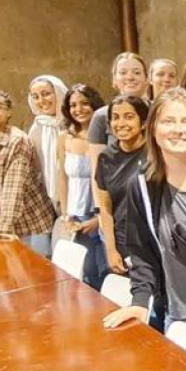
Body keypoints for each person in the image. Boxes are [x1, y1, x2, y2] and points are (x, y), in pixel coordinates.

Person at [102, 89, 186, 332]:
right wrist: (141, 302)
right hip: (183, 313)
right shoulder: (141, 184)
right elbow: (141, 251)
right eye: (168, 121)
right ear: (152, 128)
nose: (178, 129)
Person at [0, 89, 56, 255]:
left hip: (30, 222)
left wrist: (4, 227)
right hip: (3, 219)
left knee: (35, 275)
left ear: (9, 111)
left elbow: (13, 188)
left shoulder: (17, 141)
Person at [56, 83, 107, 289]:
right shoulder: (64, 138)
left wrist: (100, 218)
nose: (79, 109)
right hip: (75, 217)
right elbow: (62, 177)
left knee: (105, 273)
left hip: (101, 216)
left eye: (85, 103)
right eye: (73, 105)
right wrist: (66, 214)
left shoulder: (107, 136)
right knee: (82, 275)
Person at [93, 94, 150, 274]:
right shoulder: (106, 158)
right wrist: (111, 249)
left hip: (152, 243)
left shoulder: (156, 154)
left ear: (143, 123)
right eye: (115, 118)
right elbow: (105, 208)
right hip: (122, 243)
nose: (121, 123)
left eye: (129, 116)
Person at [88, 52, 151, 150]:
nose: (130, 77)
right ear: (114, 79)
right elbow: (97, 161)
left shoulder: (158, 112)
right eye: (123, 73)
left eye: (137, 72)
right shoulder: (101, 116)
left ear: (147, 79)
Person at [26, 75, 68, 210]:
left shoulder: (73, 123)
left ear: (59, 93)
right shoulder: (36, 129)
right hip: (49, 199)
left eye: (46, 94)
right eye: (36, 96)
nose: (41, 100)